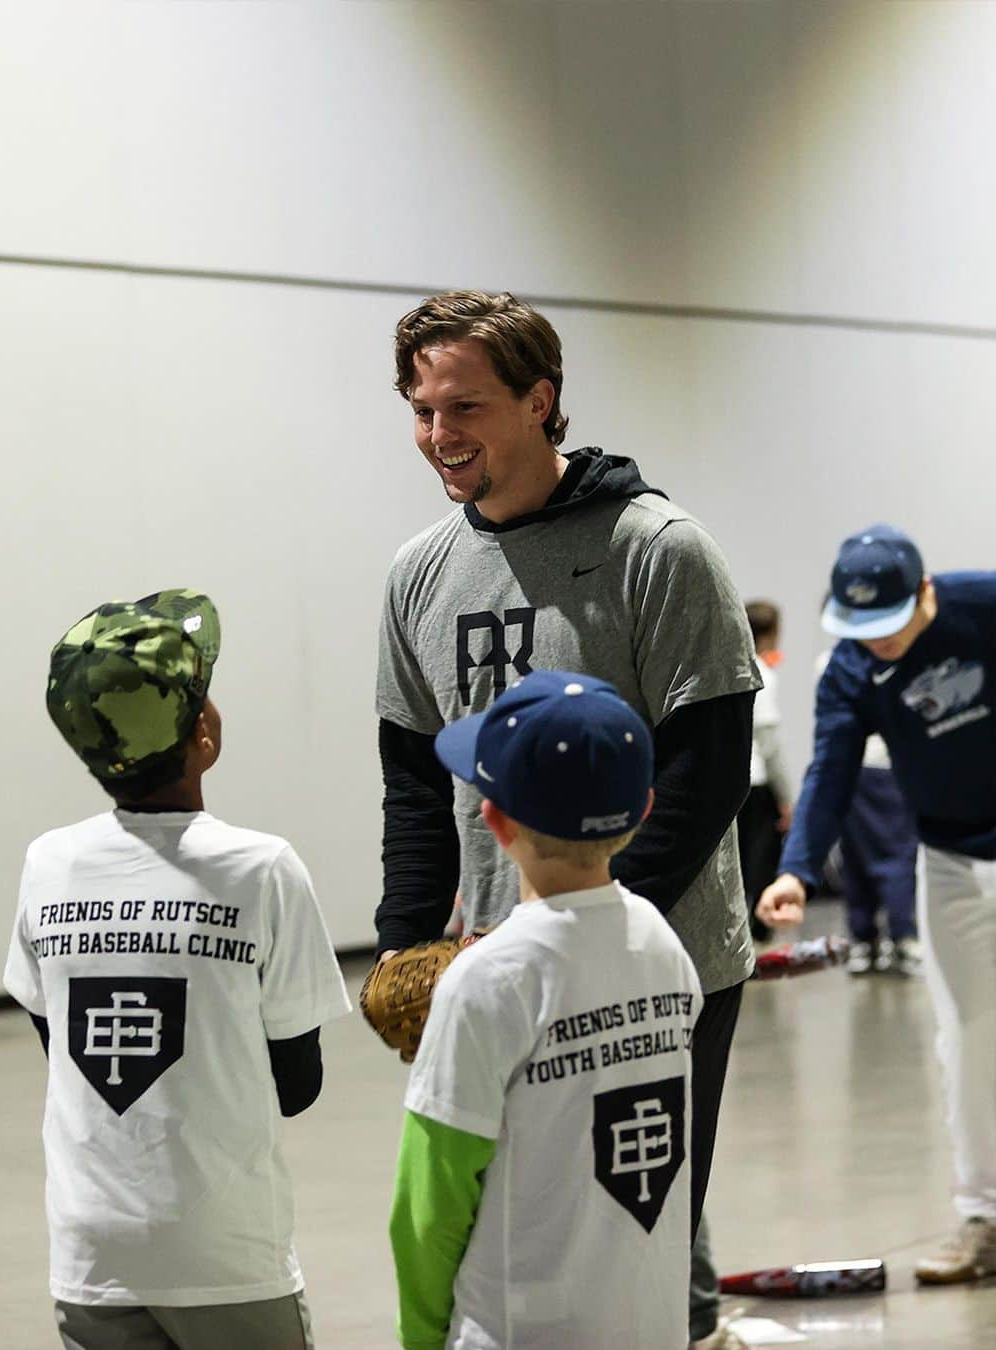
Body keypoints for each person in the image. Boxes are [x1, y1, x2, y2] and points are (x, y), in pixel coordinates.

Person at [375, 290, 761, 1348]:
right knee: (526, 1212)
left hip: (665, 948)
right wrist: (406, 941)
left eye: (464, 408)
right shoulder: (420, 575)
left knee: (649, 1210)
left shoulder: (659, 549)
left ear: (541, 400)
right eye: (419, 410)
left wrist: (596, 928)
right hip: (496, 954)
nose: (437, 436)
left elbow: (711, 766)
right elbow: (413, 780)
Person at [3, 590, 351, 1350]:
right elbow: (298, 1085)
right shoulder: (261, 869)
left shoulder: (48, 865)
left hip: (92, 1254)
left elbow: (56, 1041)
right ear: (203, 734)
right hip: (227, 1257)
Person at [389, 670, 703, 1349]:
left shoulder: (489, 978)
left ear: (492, 819)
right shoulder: (661, 943)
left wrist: (420, 1338)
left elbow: (428, 1201)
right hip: (650, 1325)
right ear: (644, 808)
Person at [757, 526, 996, 1284]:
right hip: (950, 858)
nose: (878, 644)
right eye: (861, 631)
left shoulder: (982, 606)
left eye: (890, 625)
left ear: (924, 595)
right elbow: (830, 769)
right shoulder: (851, 670)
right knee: (966, 1042)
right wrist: (796, 871)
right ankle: (985, 1219)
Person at [812, 646, 920, 977]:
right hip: (884, 768)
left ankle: (864, 940)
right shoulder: (894, 653)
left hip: (848, 769)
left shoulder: (830, 659)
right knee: (895, 857)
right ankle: (903, 940)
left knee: (856, 857)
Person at [737, 600, 792, 939]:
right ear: (772, 633)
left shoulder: (732, 668)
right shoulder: (764, 675)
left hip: (733, 781)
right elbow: (770, 743)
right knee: (760, 859)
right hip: (759, 781)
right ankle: (759, 929)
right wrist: (786, 797)